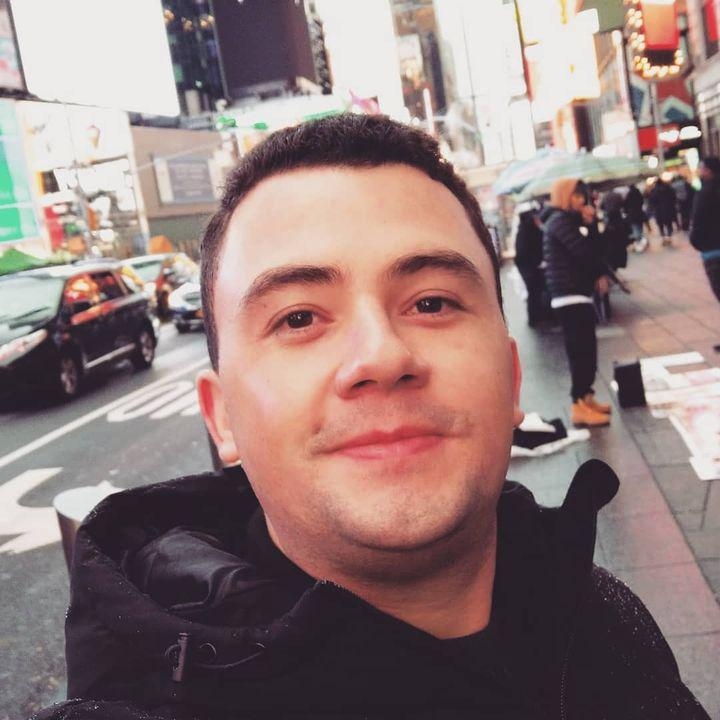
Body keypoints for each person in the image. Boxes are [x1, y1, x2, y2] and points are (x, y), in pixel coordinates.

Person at [34, 115, 709, 719]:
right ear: (222, 416)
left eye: (432, 303)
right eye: (299, 318)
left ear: (511, 375)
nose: (382, 357)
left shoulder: (604, 619)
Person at [542, 178, 613, 428]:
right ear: (564, 196)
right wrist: (590, 227)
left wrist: (590, 225)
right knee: (580, 353)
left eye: (582, 195)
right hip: (568, 295)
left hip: (577, 293)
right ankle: (578, 406)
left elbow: (593, 251)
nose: (581, 200)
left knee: (588, 351)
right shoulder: (559, 221)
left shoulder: (568, 221)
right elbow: (584, 253)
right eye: (576, 195)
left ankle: (586, 398)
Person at [690, 157, 720, 348]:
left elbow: (698, 221)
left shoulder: (705, 193)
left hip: (713, 252)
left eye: (701, 168)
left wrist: (696, 242)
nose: (699, 171)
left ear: (708, 170)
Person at [514, 207, 548, 326]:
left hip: (529, 266)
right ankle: (534, 319)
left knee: (535, 291)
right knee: (534, 292)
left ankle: (537, 317)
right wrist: (538, 262)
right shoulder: (527, 232)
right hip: (528, 267)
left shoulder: (525, 230)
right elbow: (525, 252)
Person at [648, 177, 677, 244]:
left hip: (658, 210)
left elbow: (652, 201)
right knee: (669, 224)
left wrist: (652, 208)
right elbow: (674, 197)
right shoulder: (668, 188)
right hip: (669, 209)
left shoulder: (654, 191)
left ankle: (663, 237)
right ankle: (669, 237)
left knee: (660, 225)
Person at [623, 183, 648, 252]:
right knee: (640, 228)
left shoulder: (629, 195)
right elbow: (642, 202)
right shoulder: (639, 194)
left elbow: (625, 205)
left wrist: (626, 211)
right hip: (639, 214)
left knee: (635, 229)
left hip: (632, 215)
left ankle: (639, 244)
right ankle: (642, 243)